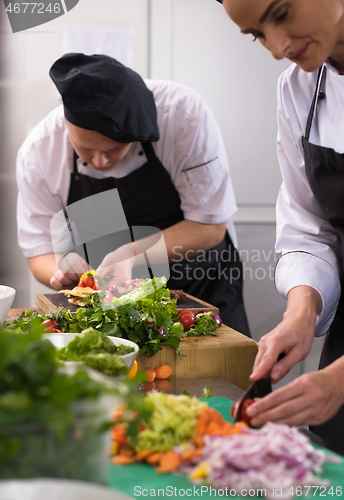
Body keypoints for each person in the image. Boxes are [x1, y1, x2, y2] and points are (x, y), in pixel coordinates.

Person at [16, 52, 250, 336]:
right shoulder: (39, 152)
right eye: (85, 150)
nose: (100, 162)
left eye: (113, 149)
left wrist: (129, 254)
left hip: (199, 281)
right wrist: (61, 273)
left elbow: (210, 227)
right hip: (110, 303)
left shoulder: (182, 115)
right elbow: (38, 253)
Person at [217, 0, 344, 448]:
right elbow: (310, 227)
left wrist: (340, 381)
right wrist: (300, 313)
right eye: (256, 33)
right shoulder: (298, 89)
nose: (275, 47)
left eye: (281, 12)